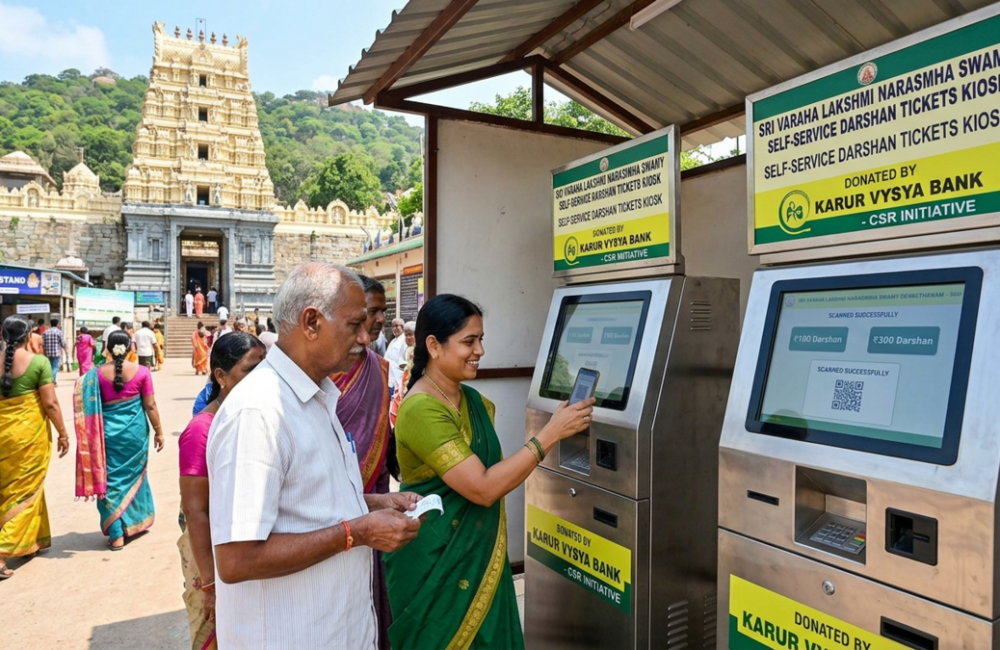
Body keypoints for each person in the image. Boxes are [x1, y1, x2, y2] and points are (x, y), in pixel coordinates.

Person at [207, 262, 422, 648]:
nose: (364, 337)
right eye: (354, 325)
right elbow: (237, 558)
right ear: (311, 322)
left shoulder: (317, 397)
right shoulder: (258, 412)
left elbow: (308, 502)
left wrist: (372, 504)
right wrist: (356, 532)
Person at [386, 295, 594, 649]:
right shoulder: (421, 409)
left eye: (481, 339)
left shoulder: (473, 402)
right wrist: (550, 435)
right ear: (433, 346)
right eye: (469, 341)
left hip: (478, 558)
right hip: (438, 566)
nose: (480, 350)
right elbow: (482, 489)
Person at [178, 332, 266, 650]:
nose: (262, 378)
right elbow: (195, 511)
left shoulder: (257, 418)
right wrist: (210, 584)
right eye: (250, 370)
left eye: (265, 368)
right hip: (214, 555)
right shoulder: (201, 430)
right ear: (220, 376)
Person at [330, 275, 394, 649]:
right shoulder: (319, 375)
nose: (380, 319)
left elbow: (381, 431)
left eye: (383, 311)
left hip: (374, 500)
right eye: (371, 311)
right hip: (326, 516)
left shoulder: (380, 369)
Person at [73, 329, 164, 551]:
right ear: (131, 347)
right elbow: (150, 405)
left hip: (106, 436)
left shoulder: (95, 375)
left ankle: (116, 535)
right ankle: (132, 525)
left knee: (110, 479)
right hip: (134, 435)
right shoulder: (142, 372)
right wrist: (159, 431)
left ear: (107, 348)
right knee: (133, 477)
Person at [0, 315, 70, 579]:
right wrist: (63, 434)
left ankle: (30, 542)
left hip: (3, 436)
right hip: (28, 437)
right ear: (29, 336)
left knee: (10, 490)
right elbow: (50, 403)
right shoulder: (38, 362)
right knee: (27, 489)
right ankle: (2, 552)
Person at [388, 321, 416, 428]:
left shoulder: (417, 350)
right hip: (398, 379)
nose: (408, 338)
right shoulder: (395, 342)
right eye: (406, 335)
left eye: (410, 335)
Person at [384, 318, 407, 396]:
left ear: (402, 327)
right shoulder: (393, 341)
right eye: (393, 326)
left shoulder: (405, 341)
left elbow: (405, 362)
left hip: (397, 380)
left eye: (397, 326)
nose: (394, 328)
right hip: (389, 379)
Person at [42, 318, 67, 386]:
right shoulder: (59, 332)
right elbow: (63, 343)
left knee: (50, 368)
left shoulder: (45, 332)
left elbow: (43, 344)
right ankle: (51, 381)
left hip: (47, 353)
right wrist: (66, 350)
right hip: (56, 353)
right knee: (55, 367)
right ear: (57, 324)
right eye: (59, 324)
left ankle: (54, 381)